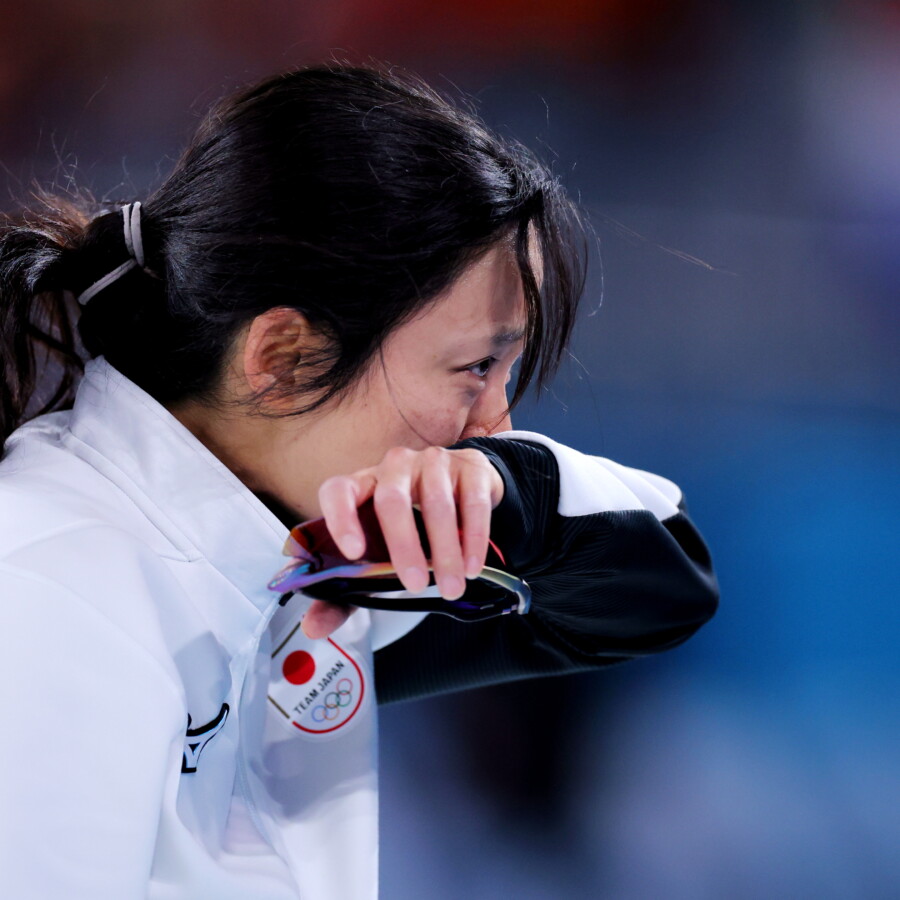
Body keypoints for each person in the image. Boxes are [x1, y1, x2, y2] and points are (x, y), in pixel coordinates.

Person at [0, 60, 718, 899]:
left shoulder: (300, 561)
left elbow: (664, 586)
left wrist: (507, 497)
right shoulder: (50, 595)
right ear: (282, 358)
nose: (498, 428)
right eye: (475, 368)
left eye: (508, 372)